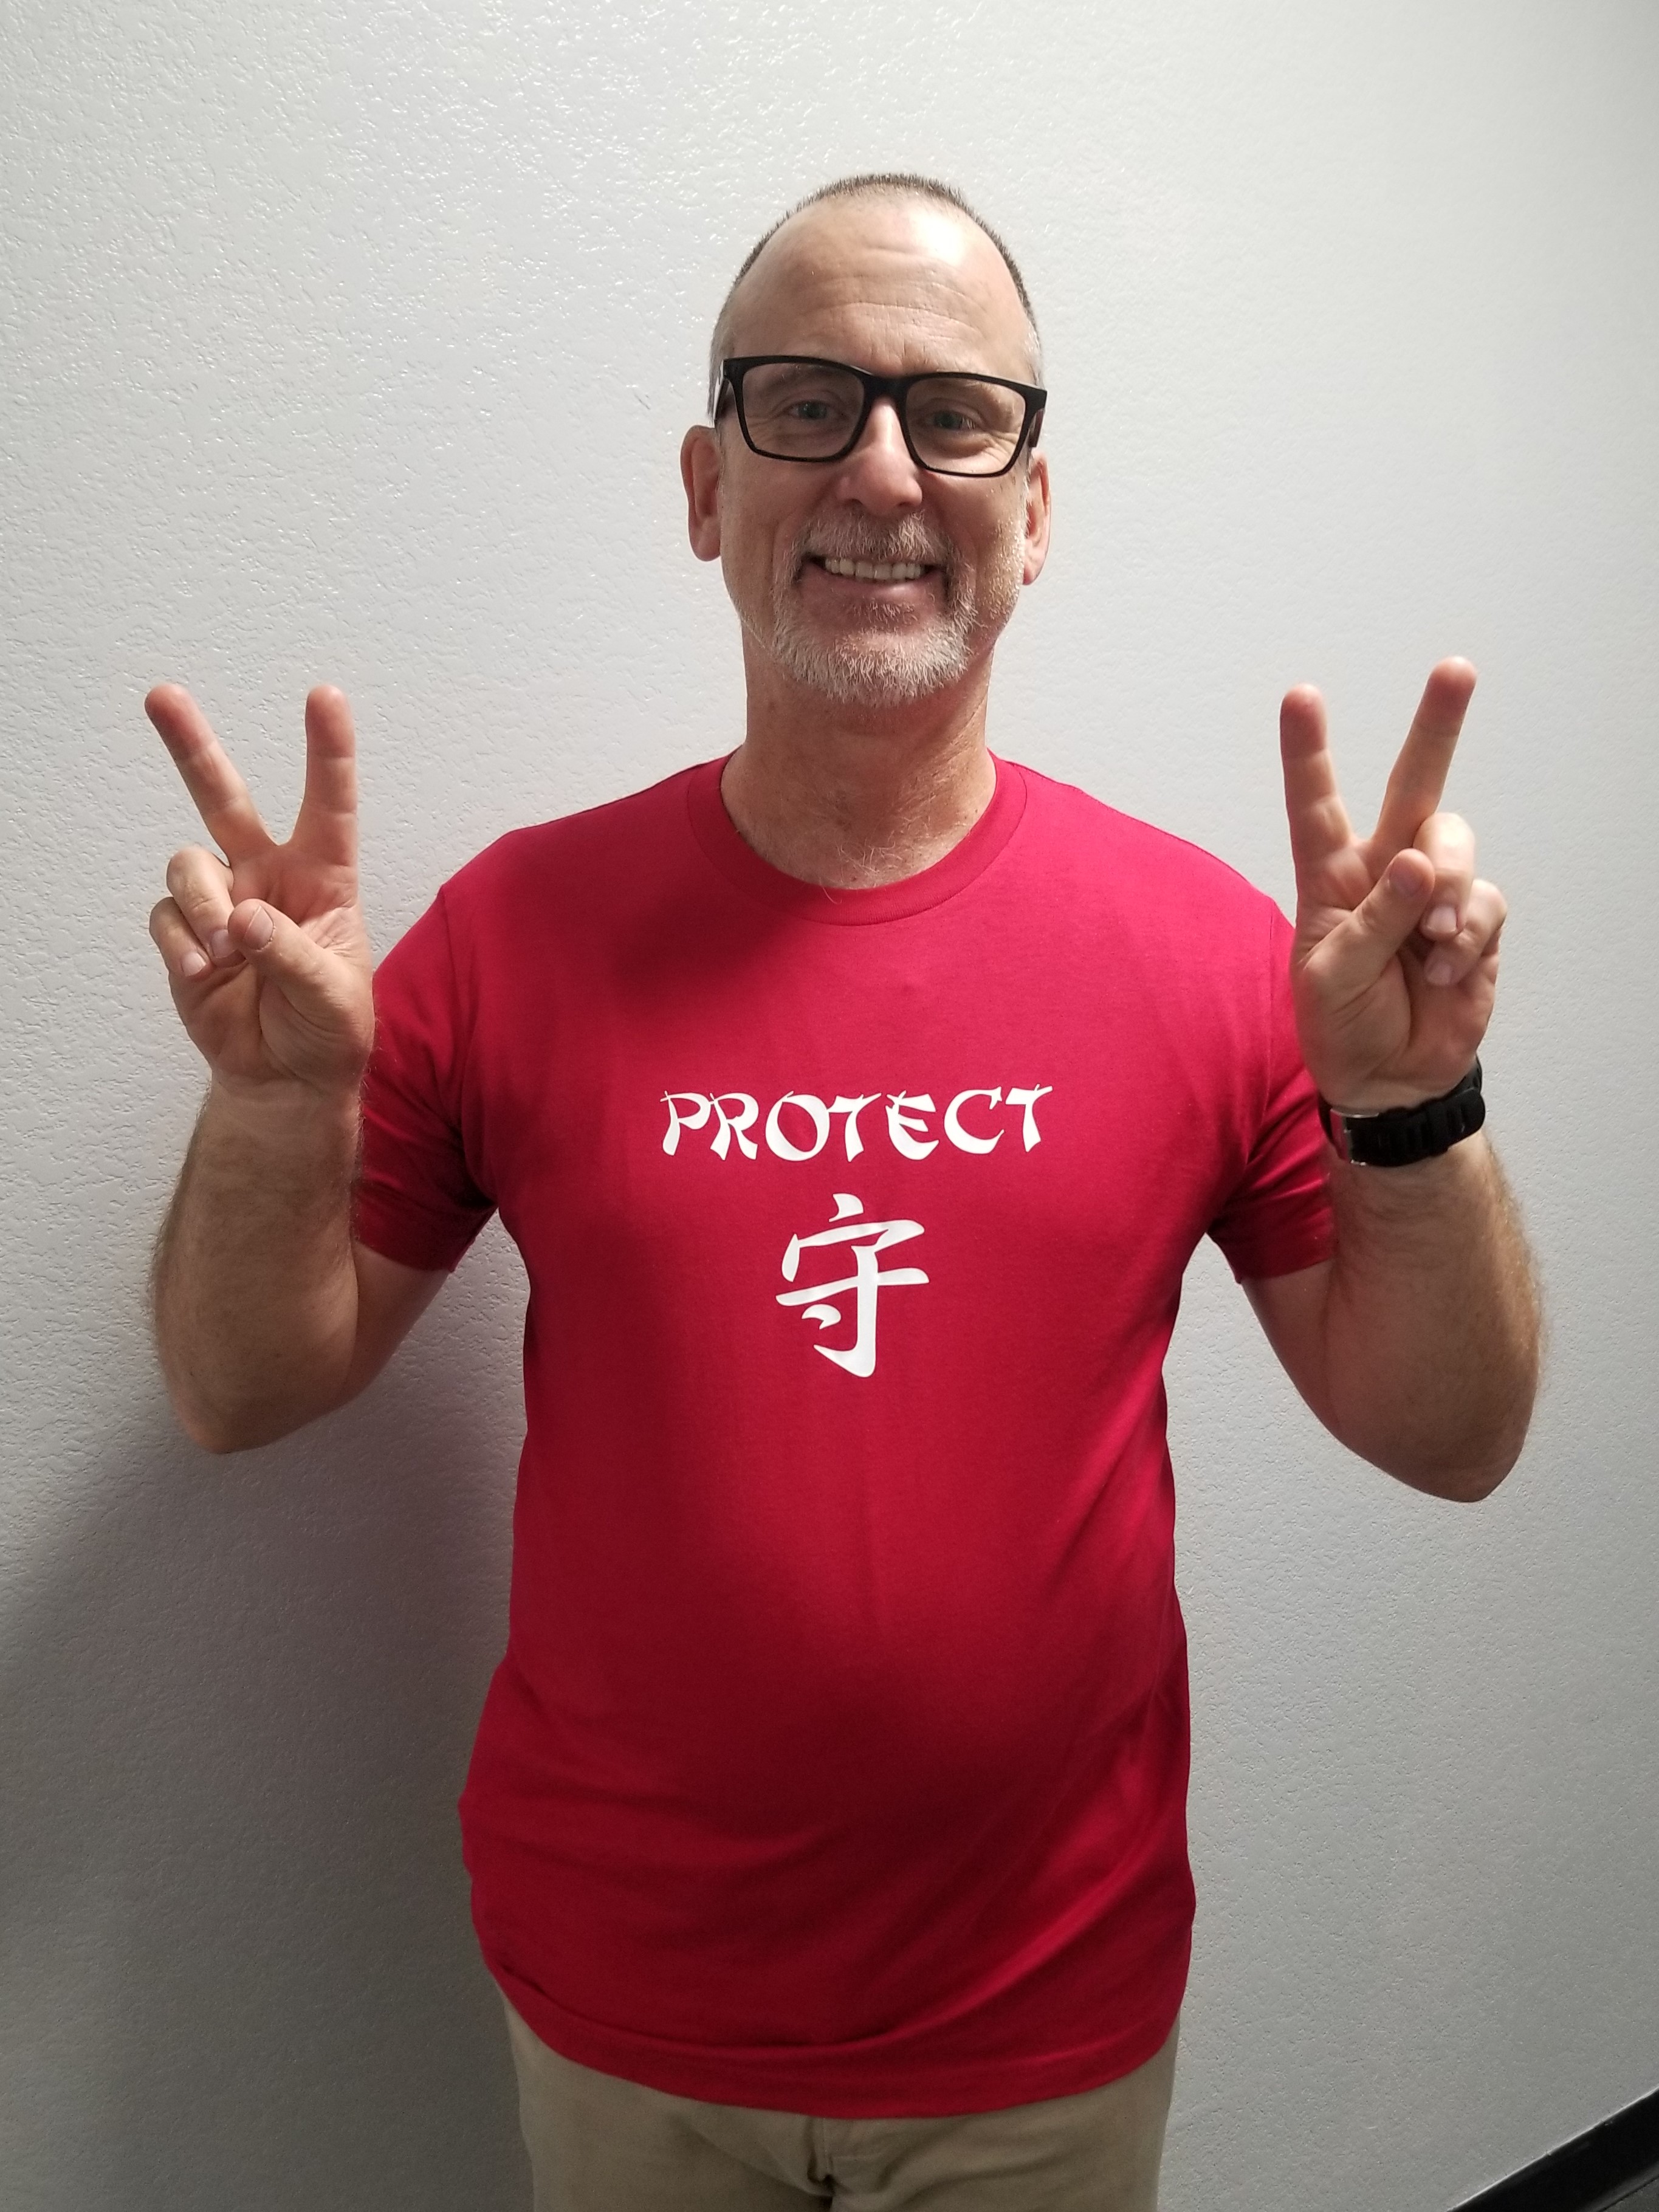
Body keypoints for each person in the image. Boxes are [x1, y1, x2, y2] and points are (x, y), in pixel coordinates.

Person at [144, 174, 1540, 2212]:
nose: (881, 470)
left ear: (1031, 511)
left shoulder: (1207, 952)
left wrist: (1411, 1107)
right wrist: (277, 1110)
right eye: (806, 402)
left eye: (954, 414)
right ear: (706, 487)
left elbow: (1451, 1437)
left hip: (1043, 2016)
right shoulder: (515, 931)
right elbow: (237, 1390)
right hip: (628, 2002)